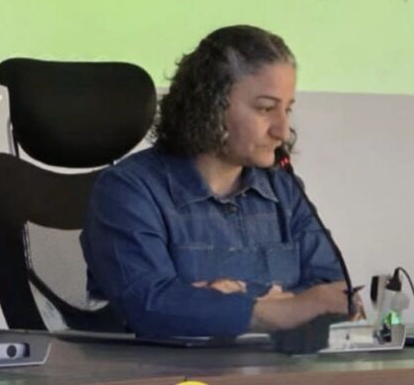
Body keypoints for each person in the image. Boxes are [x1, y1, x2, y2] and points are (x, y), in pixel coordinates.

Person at [80, 25, 359, 338]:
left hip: (273, 364)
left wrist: (231, 301)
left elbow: (335, 295)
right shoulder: (127, 190)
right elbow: (149, 305)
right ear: (208, 107)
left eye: (287, 109)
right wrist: (284, 308)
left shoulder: (285, 190)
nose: (282, 131)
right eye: (265, 108)